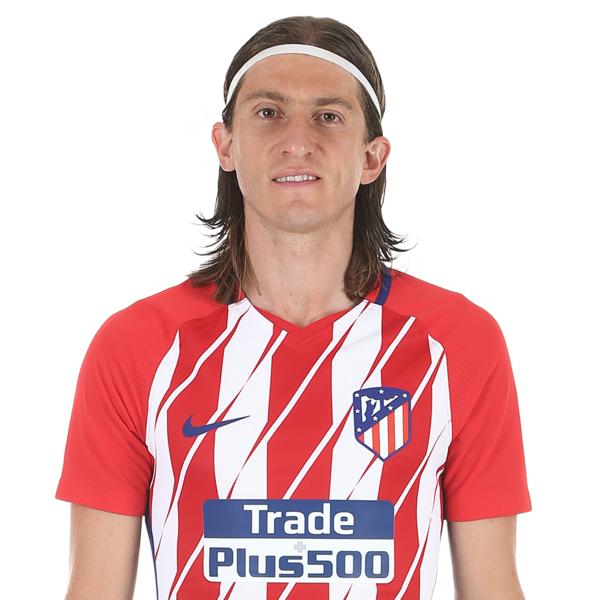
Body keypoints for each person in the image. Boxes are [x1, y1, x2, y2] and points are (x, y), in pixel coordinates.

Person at [55, 14, 532, 600]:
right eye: (269, 112)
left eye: (328, 116)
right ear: (225, 145)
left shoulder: (459, 344)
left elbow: (492, 590)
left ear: (373, 158)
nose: (298, 141)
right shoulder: (135, 348)